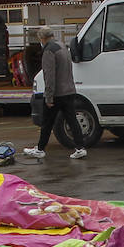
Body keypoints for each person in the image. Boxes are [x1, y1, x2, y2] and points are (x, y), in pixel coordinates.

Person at [23, 29, 87, 160]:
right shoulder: (63, 46)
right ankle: (80, 148)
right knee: (72, 120)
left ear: (42, 38)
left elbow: (49, 75)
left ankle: (40, 149)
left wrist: (49, 96)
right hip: (69, 90)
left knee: (47, 122)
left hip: (57, 93)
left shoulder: (49, 51)